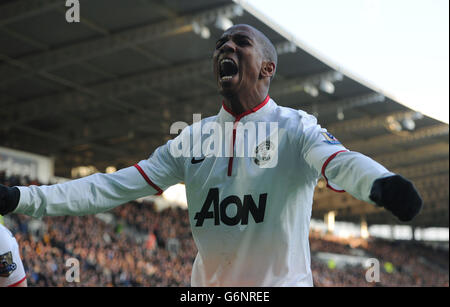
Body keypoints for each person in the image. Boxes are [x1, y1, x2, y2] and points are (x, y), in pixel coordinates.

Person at [0, 24, 422, 286]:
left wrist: (380, 183)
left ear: (267, 68)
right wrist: (23, 198)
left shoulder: (295, 128)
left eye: (241, 43)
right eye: (221, 43)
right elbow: (110, 187)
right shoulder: (190, 140)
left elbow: (341, 162)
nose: (227, 48)